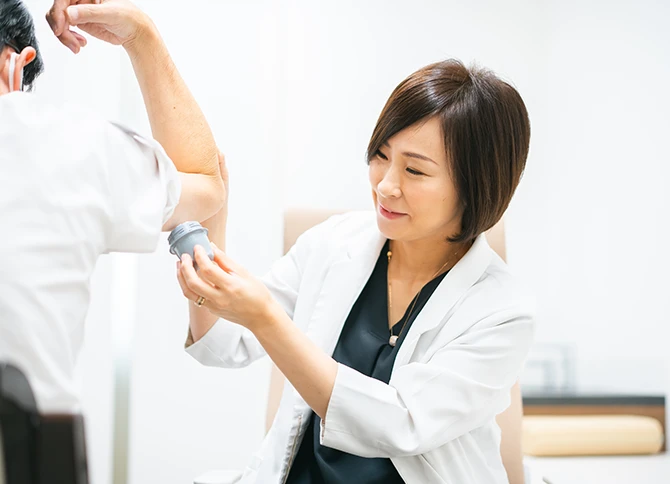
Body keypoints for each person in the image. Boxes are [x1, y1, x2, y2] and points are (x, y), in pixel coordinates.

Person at [177, 57, 535, 483]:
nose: (385, 185)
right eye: (381, 155)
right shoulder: (332, 244)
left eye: (414, 170)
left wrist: (266, 318)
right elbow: (221, 343)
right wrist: (208, 228)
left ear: (476, 185)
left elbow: (402, 425)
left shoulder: (503, 313)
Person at [0, 0, 226, 414]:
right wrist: (141, 34)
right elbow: (207, 184)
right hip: (27, 445)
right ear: (14, 66)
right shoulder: (64, 144)